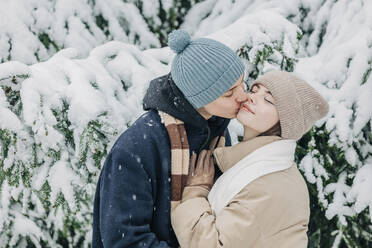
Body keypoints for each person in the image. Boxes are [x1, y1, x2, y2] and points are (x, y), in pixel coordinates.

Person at [92, 29, 247, 247]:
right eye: (229, 93)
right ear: (199, 97)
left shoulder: (217, 134)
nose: (243, 96)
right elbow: (124, 240)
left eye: (242, 83)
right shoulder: (138, 146)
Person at [171, 70, 329, 248]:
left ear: (287, 122)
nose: (251, 98)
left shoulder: (267, 185)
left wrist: (196, 192)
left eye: (269, 100)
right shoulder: (257, 166)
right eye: (254, 90)